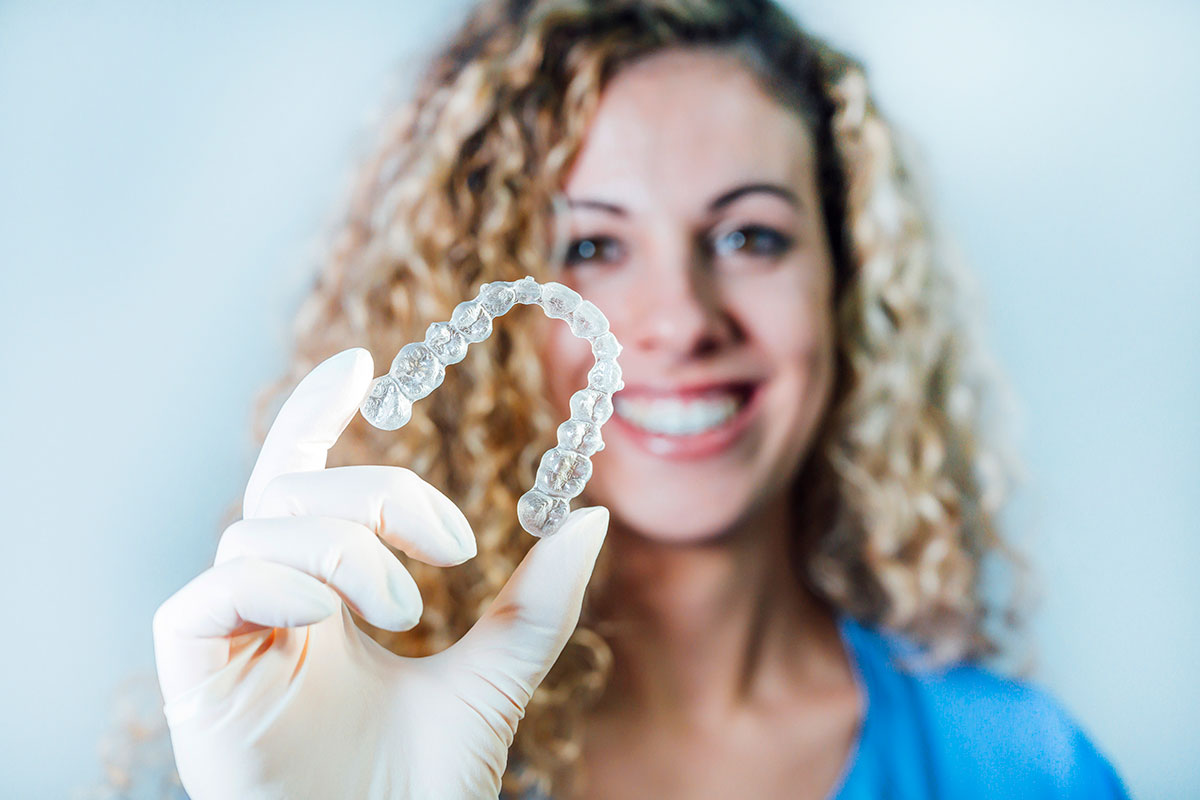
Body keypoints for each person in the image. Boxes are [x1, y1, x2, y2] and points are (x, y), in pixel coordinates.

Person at [141, 0, 1132, 798]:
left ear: (849, 285)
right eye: (592, 247)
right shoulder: (349, 724)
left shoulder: (1022, 768)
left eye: (750, 236)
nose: (678, 319)